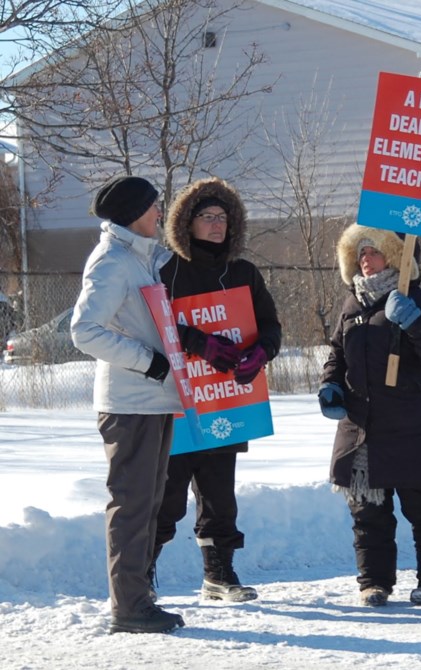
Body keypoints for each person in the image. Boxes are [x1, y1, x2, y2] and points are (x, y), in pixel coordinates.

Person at [153, 177, 281, 602]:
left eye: (223, 218)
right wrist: (198, 342)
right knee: (167, 500)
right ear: (186, 223)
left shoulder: (242, 272)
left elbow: (270, 327)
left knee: (220, 498)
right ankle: (140, 578)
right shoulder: (165, 269)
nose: (215, 224)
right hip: (177, 401)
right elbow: (152, 324)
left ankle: (219, 575)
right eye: (207, 217)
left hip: (228, 402)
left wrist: (260, 354)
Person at [318, 223, 421, 607]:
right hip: (363, 428)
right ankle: (374, 583)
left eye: (373, 251)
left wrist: (415, 322)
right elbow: (337, 353)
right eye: (359, 253)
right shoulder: (352, 305)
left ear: (396, 256)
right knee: (368, 512)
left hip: (412, 426)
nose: (365, 259)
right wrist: (330, 384)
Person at [70, 175, 185, 634]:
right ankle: (129, 605)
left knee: (147, 502)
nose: (161, 213)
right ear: (136, 211)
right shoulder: (112, 262)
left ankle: (138, 596)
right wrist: (150, 363)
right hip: (130, 402)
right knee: (133, 503)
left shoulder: (142, 259)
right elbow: (84, 330)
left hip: (152, 401)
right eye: (155, 206)